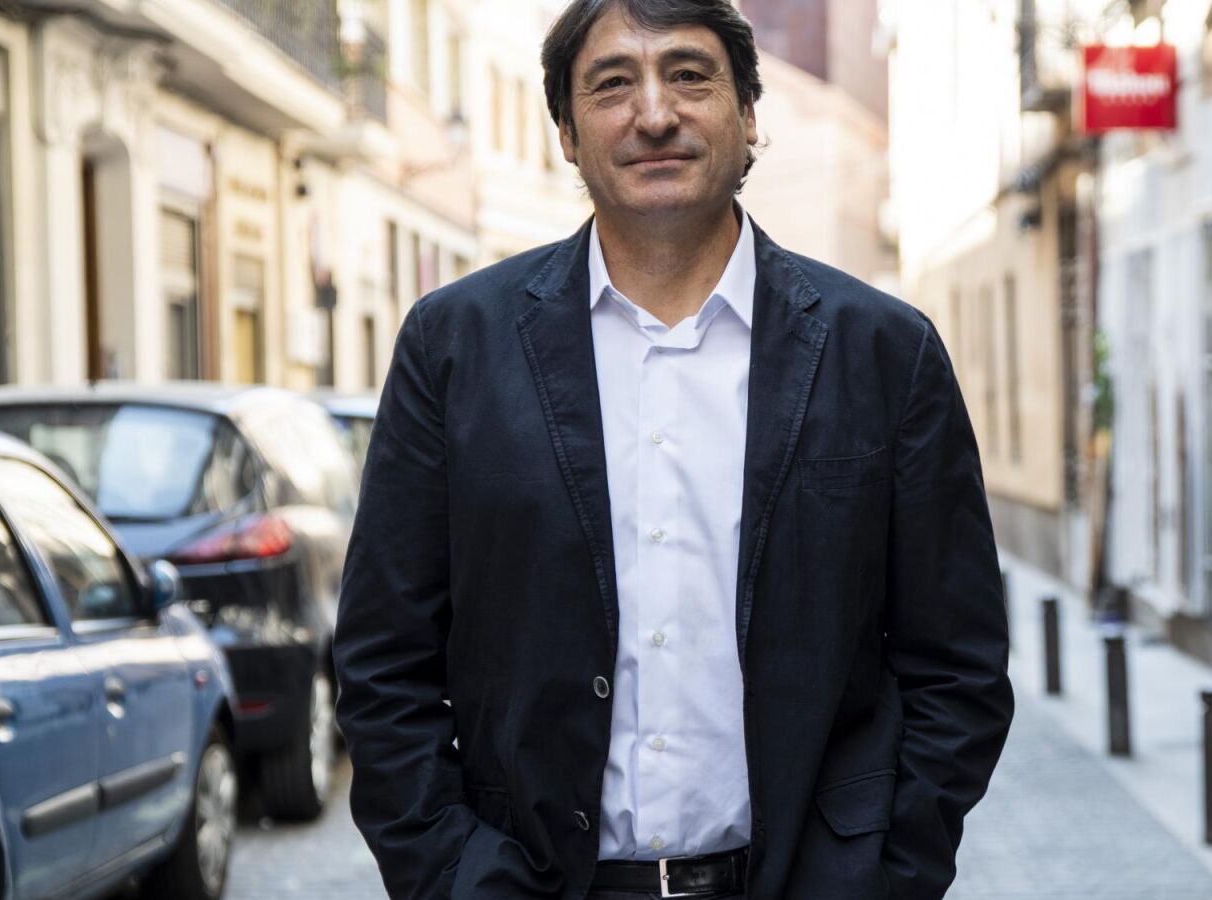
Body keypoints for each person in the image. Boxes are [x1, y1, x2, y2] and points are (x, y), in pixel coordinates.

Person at [333, 1, 1015, 897]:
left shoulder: (884, 353)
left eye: (690, 75)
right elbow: (383, 664)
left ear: (749, 114)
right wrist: (458, 875)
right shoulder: (454, 348)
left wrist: (882, 875)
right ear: (567, 133)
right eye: (612, 84)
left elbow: (959, 667)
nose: (654, 113)